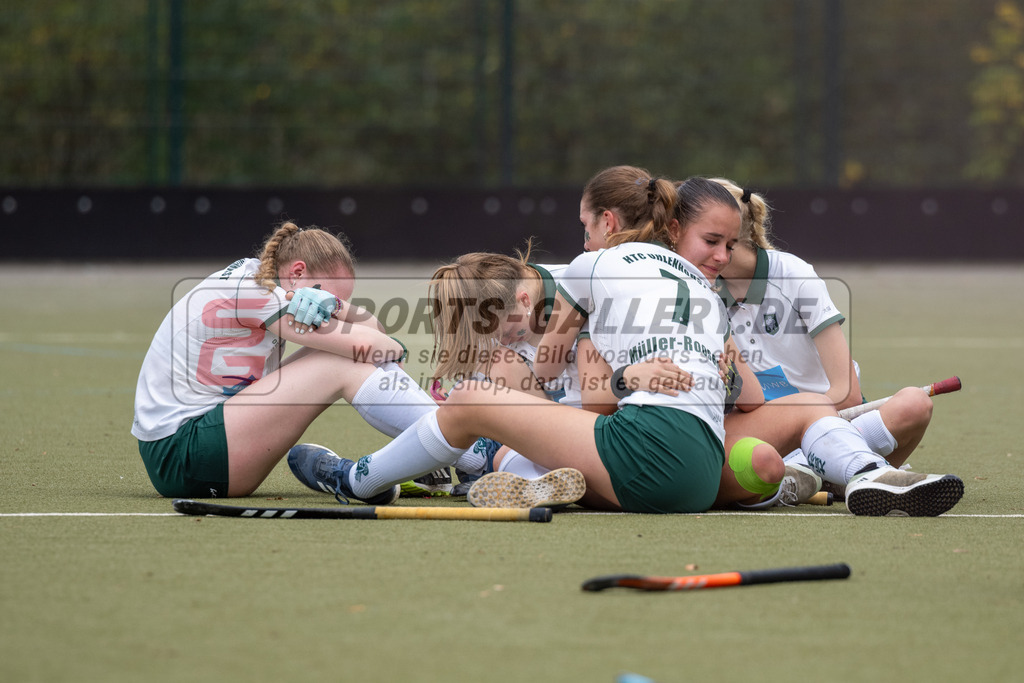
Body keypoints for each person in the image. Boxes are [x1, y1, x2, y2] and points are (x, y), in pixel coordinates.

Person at [287, 174, 772, 513]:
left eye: (586, 228)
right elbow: (750, 395)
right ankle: (514, 469)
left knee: (471, 399)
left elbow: (547, 373)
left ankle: (359, 480)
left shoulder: (592, 267)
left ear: (608, 223)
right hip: (703, 475)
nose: (583, 241)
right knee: (511, 407)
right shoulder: (702, 285)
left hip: (647, 456)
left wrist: (606, 375)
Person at [131, 221, 439, 501]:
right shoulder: (259, 293)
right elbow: (373, 344)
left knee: (344, 354)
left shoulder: (261, 280)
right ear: (297, 272)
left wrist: (336, 304)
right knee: (344, 361)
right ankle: (456, 444)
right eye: (324, 296)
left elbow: (375, 333)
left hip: (195, 447)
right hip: (184, 455)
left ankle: (446, 443)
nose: (329, 311)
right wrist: (391, 346)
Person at [712, 177, 936, 489]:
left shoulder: (794, 275)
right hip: (763, 430)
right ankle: (839, 473)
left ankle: (809, 471)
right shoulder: (696, 287)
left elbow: (847, 394)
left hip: (830, 419)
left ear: (730, 234)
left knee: (915, 403)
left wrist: (807, 423)